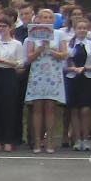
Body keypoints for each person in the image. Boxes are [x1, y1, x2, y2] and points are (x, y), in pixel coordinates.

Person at [24, 8, 67, 154]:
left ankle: (50, 141)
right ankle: (37, 141)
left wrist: (50, 49)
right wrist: (40, 48)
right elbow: (29, 58)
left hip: (53, 74)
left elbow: (64, 54)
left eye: (50, 18)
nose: (47, 20)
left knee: (50, 108)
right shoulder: (33, 34)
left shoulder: (60, 34)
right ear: (39, 19)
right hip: (37, 73)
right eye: (44, 17)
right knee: (37, 108)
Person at [0, 17, 25, 152]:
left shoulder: (17, 44)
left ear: (10, 27)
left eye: (4, 26)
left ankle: (8, 139)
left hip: (9, 75)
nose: (1, 28)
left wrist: (5, 61)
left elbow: (20, 62)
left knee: (9, 108)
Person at [62, 15, 91, 151]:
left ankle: (86, 138)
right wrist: (73, 69)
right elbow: (63, 65)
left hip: (87, 79)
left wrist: (85, 68)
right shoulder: (68, 45)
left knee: (85, 110)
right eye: (79, 28)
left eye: (84, 28)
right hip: (72, 78)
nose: (82, 30)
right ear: (75, 29)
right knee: (74, 110)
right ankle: (77, 140)